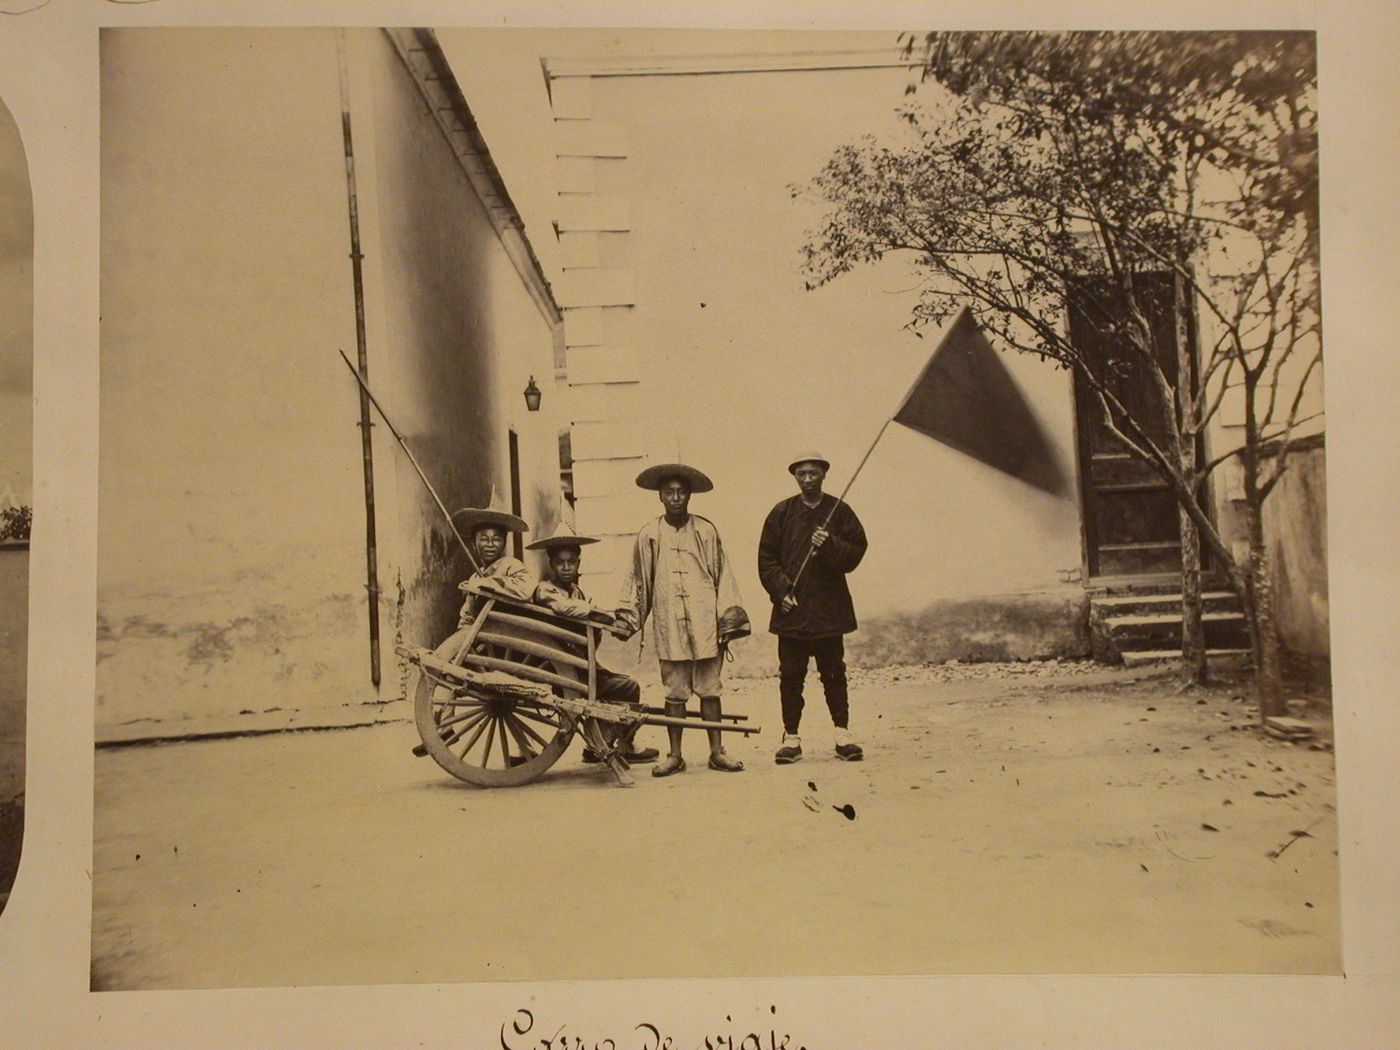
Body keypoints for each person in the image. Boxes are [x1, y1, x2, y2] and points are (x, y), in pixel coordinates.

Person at [615, 463, 750, 776]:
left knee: (709, 687)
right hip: (669, 621)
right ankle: (675, 755)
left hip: (704, 621)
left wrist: (726, 619)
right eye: (669, 492)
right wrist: (628, 618)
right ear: (660, 497)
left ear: (689, 495)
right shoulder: (649, 535)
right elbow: (639, 580)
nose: (675, 498)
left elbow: (723, 575)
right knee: (675, 689)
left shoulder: (705, 530)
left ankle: (717, 751)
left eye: (681, 492)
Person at [757, 451, 868, 764]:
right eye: (801, 473)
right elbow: (767, 559)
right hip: (791, 611)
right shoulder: (781, 513)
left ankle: (842, 733)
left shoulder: (839, 511)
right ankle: (791, 737)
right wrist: (780, 591)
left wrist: (830, 543)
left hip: (828, 610)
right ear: (794, 476)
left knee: (834, 672)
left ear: (823, 474)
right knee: (791, 675)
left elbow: (857, 551)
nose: (807, 479)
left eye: (813, 473)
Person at [527, 521, 659, 765]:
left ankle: (599, 743)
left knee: (620, 686)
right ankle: (619, 745)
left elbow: (586, 618)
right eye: (560, 562)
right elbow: (565, 609)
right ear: (551, 564)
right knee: (628, 688)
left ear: (579, 562)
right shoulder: (545, 590)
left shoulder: (577, 591)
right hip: (562, 670)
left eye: (572, 562)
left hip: (581, 663)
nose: (566, 568)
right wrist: (596, 612)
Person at [451, 504, 535, 628]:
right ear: (474, 544)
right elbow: (468, 616)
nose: (490, 544)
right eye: (484, 539)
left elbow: (526, 590)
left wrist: (486, 583)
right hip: (484, 637)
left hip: (511, 633)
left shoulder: (511, 565)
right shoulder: (475, 576)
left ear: (504, 543)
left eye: (497, 539)